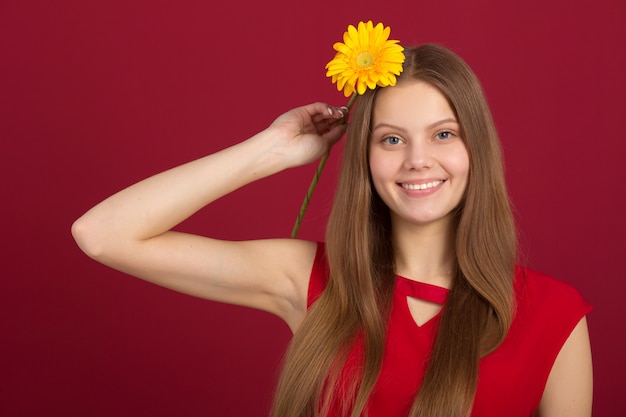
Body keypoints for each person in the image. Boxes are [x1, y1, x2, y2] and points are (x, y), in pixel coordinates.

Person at [72, 44, 592, 417]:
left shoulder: (556, 315)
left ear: (476, 147)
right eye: (391, 140)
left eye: (443, 134)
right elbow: (103, 234)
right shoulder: (309, 278)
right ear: (364, 158)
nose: (417, 160)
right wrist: (271, 150)